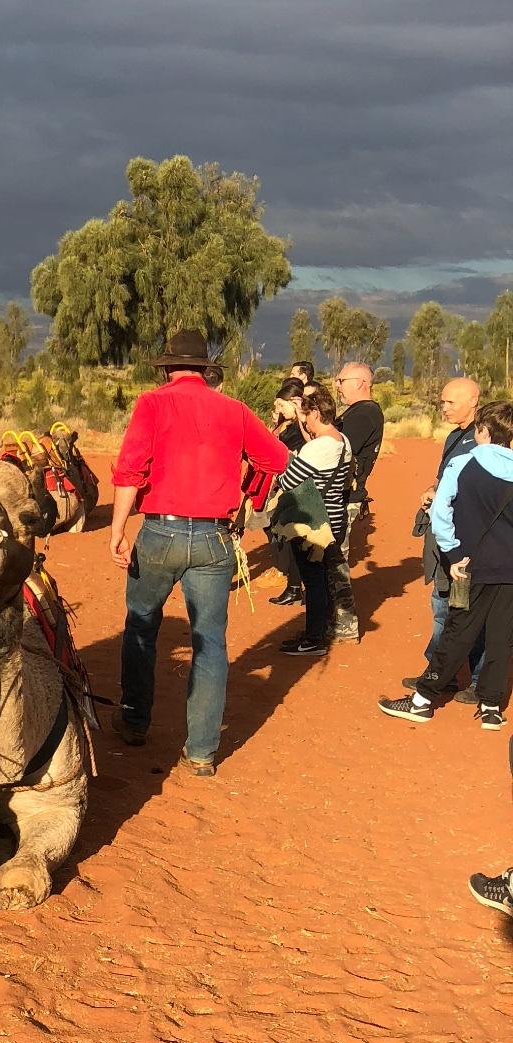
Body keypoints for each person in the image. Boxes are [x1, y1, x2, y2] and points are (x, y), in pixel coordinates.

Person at [110, 329, 290, 776]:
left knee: (141, 627)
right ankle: (202, 751)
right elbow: (279, 461)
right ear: (207, 370)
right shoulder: (235, 410)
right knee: (209, 644)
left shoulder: (151, 404)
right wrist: (245, 487)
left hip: (159, 532)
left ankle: (134, 721)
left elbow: (131, 470)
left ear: (168, 368)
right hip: (215, 538)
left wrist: (117, 530)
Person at [381, 401, 513, 731]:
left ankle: (423, 699)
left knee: (458, 632)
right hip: (509, 569)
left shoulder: (462, 464)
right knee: (502, 637)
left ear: (483, 431)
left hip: (471, 565)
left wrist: (454, 555)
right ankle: (491, 707)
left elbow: (441, 515)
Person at [269, 390, 353, 655]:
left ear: (316, 414)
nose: (305, 424)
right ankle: (315, 633)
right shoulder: (342, 441)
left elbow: (288, 480)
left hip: (313, 524)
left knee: (313, 581)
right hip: (334, 519)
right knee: (322, 579)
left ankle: (314, 639)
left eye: (306, 418)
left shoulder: (317, 447)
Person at [414, 376, 483, 693]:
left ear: (473, 400)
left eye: (450, 402)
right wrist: (433, 489)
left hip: (470, 539)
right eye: (442, 401)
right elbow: (444, 477)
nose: (444, 407)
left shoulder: (488, 439)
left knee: (470, 607)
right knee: (442, 604)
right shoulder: (454, 437)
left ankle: (479, 680)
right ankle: (439, 673)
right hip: (446, 535)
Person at [329, 361, 385, 642]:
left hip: (345, 497)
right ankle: (332, 623)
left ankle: (345, 627)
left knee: (335, 562)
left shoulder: (365, 413)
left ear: (361, 382)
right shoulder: (358, 412)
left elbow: (337, 449)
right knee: (330, 561)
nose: (337, 386)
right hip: (343, 495)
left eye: (342, 380)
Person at [266, 379, 309, 608]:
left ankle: (296, 587)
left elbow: (277, 448)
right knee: (288, 537)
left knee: (294, 538)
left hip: (295, 489)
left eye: (282, 406)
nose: (279, 411)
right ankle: (293, 586)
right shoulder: (288, 426)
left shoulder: (300, 430)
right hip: (285, 487)